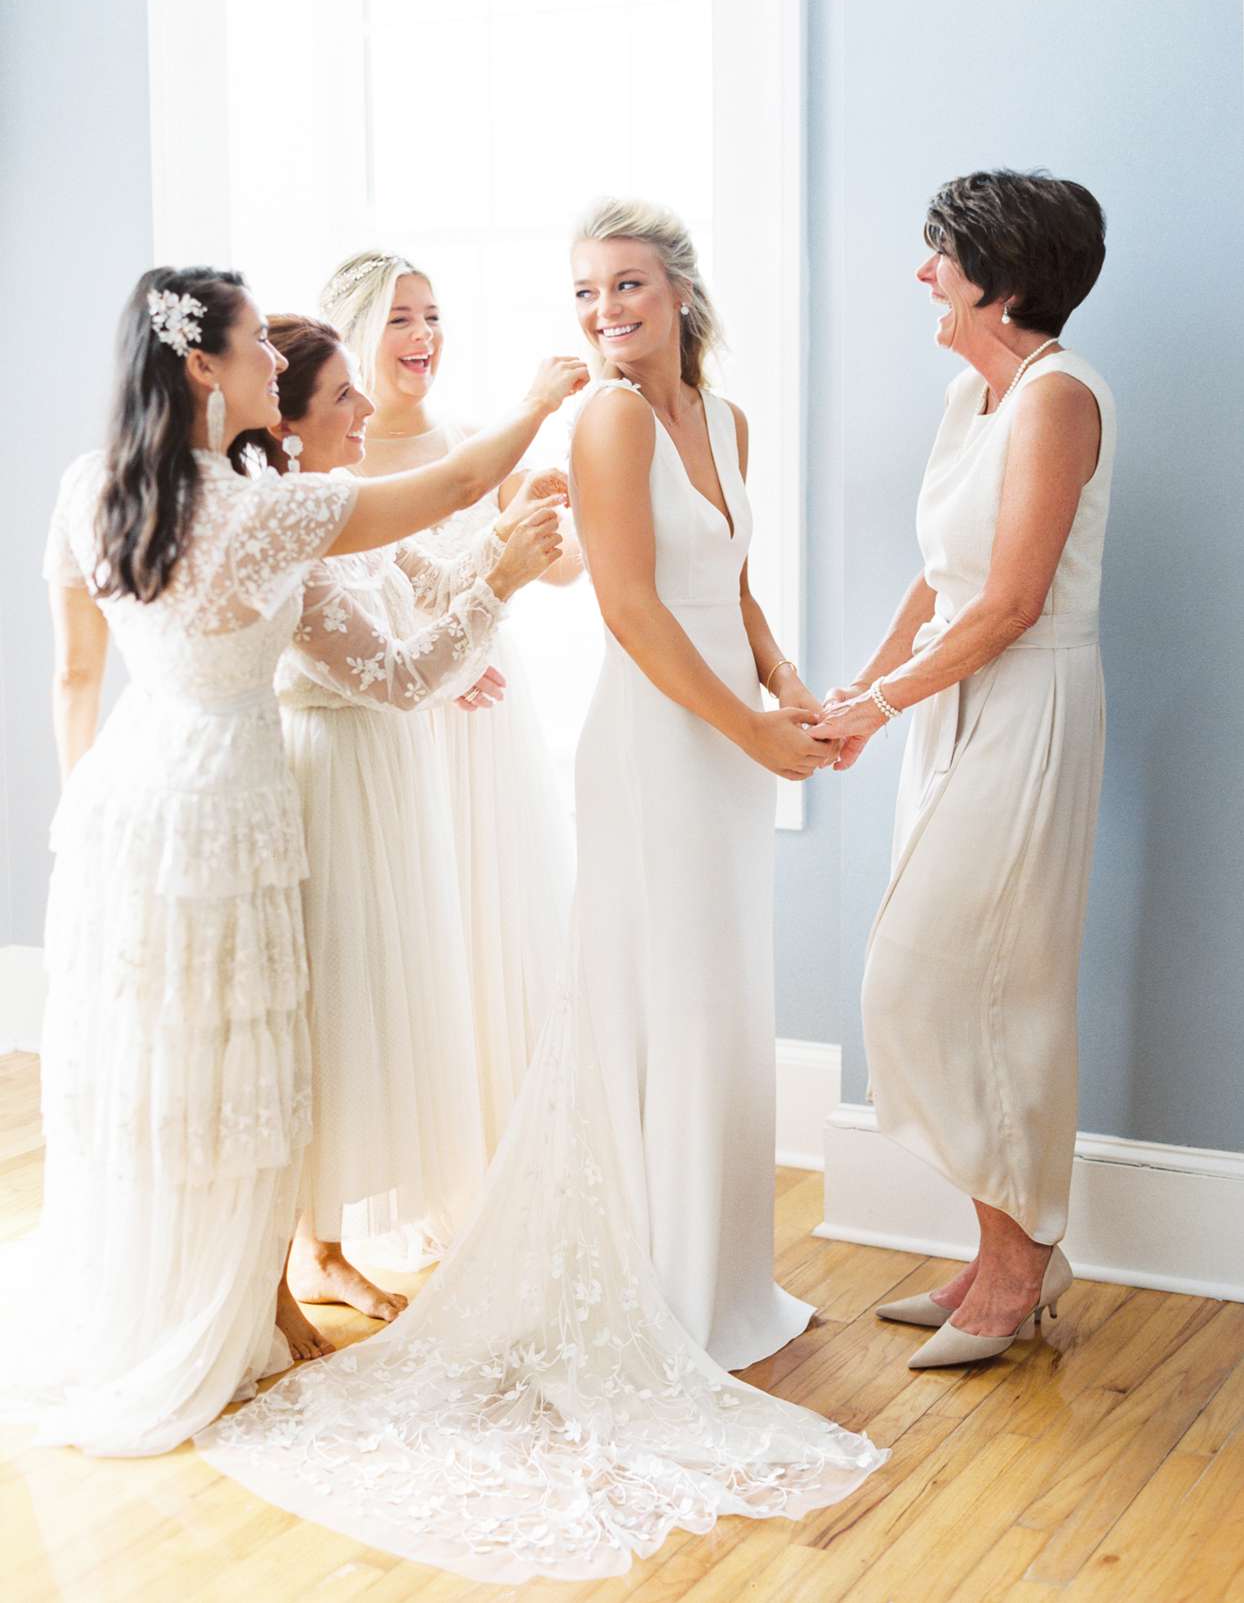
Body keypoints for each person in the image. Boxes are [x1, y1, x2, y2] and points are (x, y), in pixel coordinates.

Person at [197, 204, 884, 1583]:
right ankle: (663, 1287)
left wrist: (788, 686)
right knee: (661, 996)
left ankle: (721, 1276)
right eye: (583, 291)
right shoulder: (611, 424)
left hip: (728, 750)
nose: (602, 309)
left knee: (721, 998)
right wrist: (749, 728)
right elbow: (630, 608)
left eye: (625, 283)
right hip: (655, 748)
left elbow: (727, 578)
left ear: (681, 290)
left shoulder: (727, 422)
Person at [1, 264, 586, 1454]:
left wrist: (83, 816)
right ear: (203, 367)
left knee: (156, 1055)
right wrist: (534, 417)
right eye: (257, 347)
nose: (278, 360)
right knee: (237, 1063)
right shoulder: (267, 513)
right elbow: (459, 491)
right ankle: (228, 1308)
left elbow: (72, 676)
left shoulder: (88, 488)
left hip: (123, 799)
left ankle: (208, 1293)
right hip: (224, 798)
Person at [818, 169, 1113, 1369]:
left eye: (936, 251)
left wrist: (880, 708)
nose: (919, 271)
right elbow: (937, 582)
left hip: (1026, 700)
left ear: (998, 275)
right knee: (957, 987)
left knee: (986, 983)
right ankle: (995, 1253)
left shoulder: (1058, 398)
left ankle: (1021, 1258)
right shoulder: (970, 395)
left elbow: (1008, 604)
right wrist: (858, 692)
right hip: (951, 699)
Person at [241, 315, 565, 1325]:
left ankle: (325, 1245)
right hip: (331, 782)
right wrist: (496, 592)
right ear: (288, 423)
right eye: (343, 396)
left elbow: (433, 588)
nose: (368, 409)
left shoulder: (343, 505)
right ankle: (285, 1254)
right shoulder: (282, 535)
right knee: (327, 1015)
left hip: (389, 780)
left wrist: (499, 561)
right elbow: (394, 676)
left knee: (369, 996)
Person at [321, 254, 574, 1151]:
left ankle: (501, 1142)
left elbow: (560, 566)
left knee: (487, 913)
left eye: (432, 314)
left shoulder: (474, 438)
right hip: (391, 711)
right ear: (351, 335)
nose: (423, 335)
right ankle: (420, 1149)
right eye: (399, 318)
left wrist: (540, 511)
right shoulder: (330, 468)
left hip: (482, 711)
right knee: (410, 936)